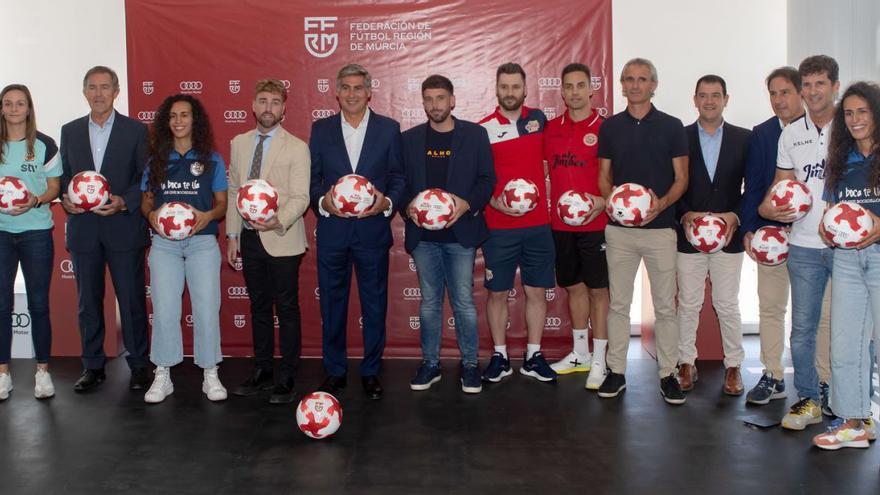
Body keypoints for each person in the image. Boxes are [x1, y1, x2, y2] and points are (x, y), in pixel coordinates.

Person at [596, 58, 689, 404]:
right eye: (629, 79)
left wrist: (658, 206)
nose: (635, 85)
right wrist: (616, 202)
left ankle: (668, 374)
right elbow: (603, 178)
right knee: (619, 305)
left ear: (654, 85)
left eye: (643, 79)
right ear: (622, 84)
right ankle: (616, 372)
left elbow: (682, 179)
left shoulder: (672, 126)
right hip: (619, 232)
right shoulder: (610, 128)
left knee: (665, 307)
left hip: (660, 229)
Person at [309, 63, 404, 400]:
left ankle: (370, 370)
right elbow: (313, 180)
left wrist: (386, 203)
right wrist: (323, 202)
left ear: (369, 92)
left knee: (374, 305)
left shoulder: (389, 129)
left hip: (372, 232)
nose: (351, 94)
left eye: (357, 88)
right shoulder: (321, 130)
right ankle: (334, 371)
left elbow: (398, 177)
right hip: (334, 232)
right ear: (336, 92)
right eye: (345, 88)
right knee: (332, 306)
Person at [742, 67, 833, 407]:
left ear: (801, 94)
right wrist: (751, 227)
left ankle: (823, 380)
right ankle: (772, 375)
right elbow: (753, 186)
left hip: (814, 240)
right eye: (773, 94)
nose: (779, 100)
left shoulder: (828, 132)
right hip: (771, 237)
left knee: (818, 316)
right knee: (771, 307)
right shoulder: (763, 133)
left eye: (785, 92)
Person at [401, 75, 495, 394]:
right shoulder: (410, 139)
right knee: (429, 303)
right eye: (428, 99)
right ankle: (431, 363)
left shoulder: (475, 135)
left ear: (452, 100)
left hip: (460, 235)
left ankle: (470, 365)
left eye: (441, 98)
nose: (435, 105)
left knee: (464, 303)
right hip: (424, 238)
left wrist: (467, 204)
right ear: (423, 102)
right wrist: (407, 208)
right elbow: (399, 183)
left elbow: (487, 181)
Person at [60, 66, 151, 392]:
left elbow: (145, 178)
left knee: (131, 300)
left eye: (105, 87)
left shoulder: (136, 130)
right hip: (84, 229)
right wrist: (64, 199)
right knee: (88, 302)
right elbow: (65, 177)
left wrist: (124, 201)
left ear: (116, 91)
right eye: (92, 88)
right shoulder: (69, 131)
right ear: (85, 92)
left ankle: (140, 365)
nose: (98, 94)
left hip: (123, 226)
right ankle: (93, 366)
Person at [226, 79, 311, 405]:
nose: (268, 108)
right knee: (259, 306)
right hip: (248, 237)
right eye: (262, 101)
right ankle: (262, 370)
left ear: (284, 108)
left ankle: (287, 375)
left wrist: (279, 220)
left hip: (282, 237)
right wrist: (232, 235)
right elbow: (235, 190)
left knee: (287, 308)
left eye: (275, 102)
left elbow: (301, 197)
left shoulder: (297, 147)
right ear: (252, 105)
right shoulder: (240, 142)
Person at [139, 94, 228, 403]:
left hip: (202, 242)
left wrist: (207, 216)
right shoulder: (157, 159)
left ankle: (210, 373)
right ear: (167, 122)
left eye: (184, 115)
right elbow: (147, 200)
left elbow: (221, 205)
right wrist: (152, 215)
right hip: (165, 244)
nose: (178, 121)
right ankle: (163, 374)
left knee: (206, 308)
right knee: (164, 309)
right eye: (173, 116)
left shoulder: (212, 159)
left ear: (195, 120)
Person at [478, 62, 557, 383]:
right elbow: (478, 179)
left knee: (536, 292)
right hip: (498, 227)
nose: (510, 92)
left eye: (515, 87)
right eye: (504, 87)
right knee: (497, 294)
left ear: (525, 89)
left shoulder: (539, 121)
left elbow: (549, 164)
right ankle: (499, 356)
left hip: (538, 226)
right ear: (496, 89)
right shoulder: (483, 129)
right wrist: (495, 201)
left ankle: (533, 355)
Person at [812, 81, 880, 449]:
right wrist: (827, 227)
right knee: (845, 340)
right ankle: (855, 421)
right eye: (849, 113)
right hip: (847, 259)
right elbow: (832, 211)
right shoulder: (840, 159)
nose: (855, 120)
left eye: (863, 112)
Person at [675, 75, 751, 395]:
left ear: (726, 99)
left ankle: (733, 366)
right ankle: (685, 363)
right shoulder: (679, 137)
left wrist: (734, 216)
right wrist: (684, 214)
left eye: (715, 95)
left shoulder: (744, 139)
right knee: (689, 303)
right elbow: (671, 182)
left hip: (729, 237)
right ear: (694, 99)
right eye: (703, 95)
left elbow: (753, 187)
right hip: (689, 237)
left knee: (727, 303)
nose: (709, 101)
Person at [543, 63, 611, 390]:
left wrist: (601, 201)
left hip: (596, 223)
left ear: (591, 89)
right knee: (573, 287)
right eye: (568, 86)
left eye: (580, 86)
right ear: (562, 91)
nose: (574, 92)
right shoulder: (551, 128)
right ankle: (580, 353)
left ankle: (600, 360)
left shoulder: (606, 128)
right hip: (561, 225)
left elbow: (619, 177)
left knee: (599, 290)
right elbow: (539, 169)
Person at [0, 84, 61, 400]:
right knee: (2, 304)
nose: (13, 109)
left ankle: (42, 372)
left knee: (38, 303)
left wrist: (36, 199)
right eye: (8, 103)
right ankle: (3, 374)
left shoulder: (44, 144)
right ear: (2, 108)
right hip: (1, 233)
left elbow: (54, 188)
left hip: (36, 231)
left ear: (28, 108)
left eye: (19, 103)